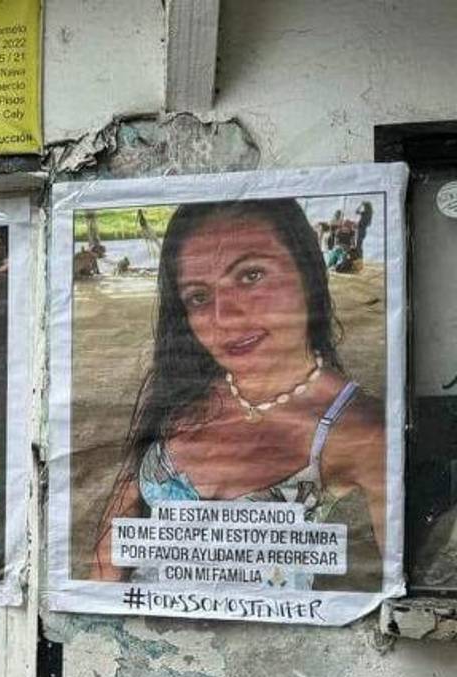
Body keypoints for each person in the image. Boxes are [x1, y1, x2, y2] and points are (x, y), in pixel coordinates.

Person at [93, 199, 385, 586]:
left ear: (307, 272)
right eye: (198, 297)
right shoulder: (183, 393)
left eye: (251, 276)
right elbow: (111, 546)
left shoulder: (360, 429)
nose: (225, 319)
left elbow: (401, 586)